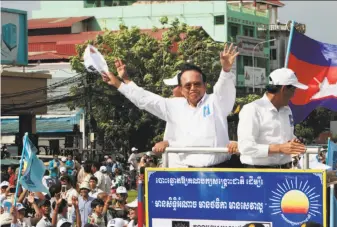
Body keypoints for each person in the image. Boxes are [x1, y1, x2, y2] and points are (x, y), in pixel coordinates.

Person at [102, 43, 239, 168]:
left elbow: (224, 90)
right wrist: (119, 84)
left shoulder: (216, 102)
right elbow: (145, 99)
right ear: (181, 89)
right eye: (188, 85)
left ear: (205, 85)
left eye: (197, 84)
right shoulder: (174, 106)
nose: (192, 88)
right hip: (189, 172)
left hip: (220, 170)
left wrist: (226, 71)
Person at [238, 68, 307, 169]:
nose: (294, 94)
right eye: (293, 90)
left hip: (284, 170)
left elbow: (287, 138)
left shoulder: (287, 110)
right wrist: (279, 148)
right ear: (284, 89)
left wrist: (294, 143)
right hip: (258, 173)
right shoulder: (252, 109)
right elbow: (245, 147)